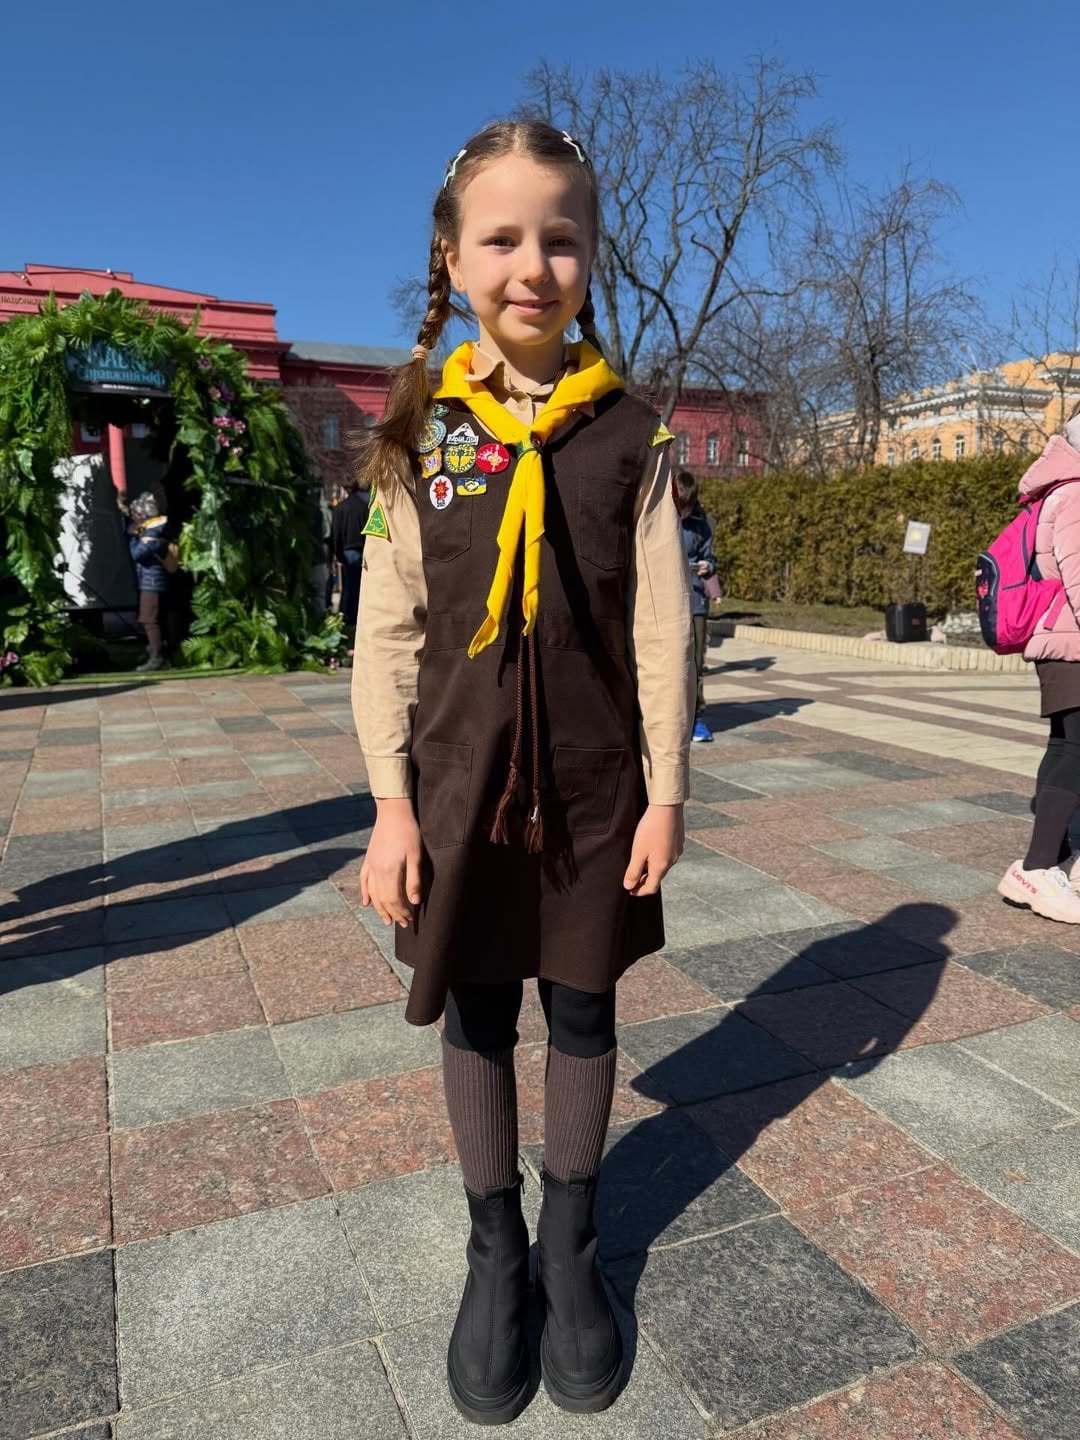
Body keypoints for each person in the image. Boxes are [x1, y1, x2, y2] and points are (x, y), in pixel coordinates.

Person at [353, 120, 694, 1425]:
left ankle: (571, 1246)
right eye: (500, 238)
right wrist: (390, 806)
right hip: (458, 787)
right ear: (452, 257)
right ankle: (495, 1251)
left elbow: (661, 628)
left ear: (592, 256)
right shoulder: (421, 431)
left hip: (598, 792)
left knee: (586, 1008)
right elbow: (387, 632)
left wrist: (668, 791)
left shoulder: (633, 436)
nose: (532, 265)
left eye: (561, 238)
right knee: (480, 1012)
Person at [999, 404, 1080, 922]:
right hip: (1074, 645)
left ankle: (1050, 861)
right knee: (1076, 753)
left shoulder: (1063, 487)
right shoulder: (1076, 494)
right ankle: (1037, 868)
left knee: (1067, 748)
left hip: (1064, 643)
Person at [674, 469, 718, 743]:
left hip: (696, 600)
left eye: (688, 508)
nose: (684, 513)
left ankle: (696, 718)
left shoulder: (702, 524)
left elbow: (710, 558)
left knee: (696, 662)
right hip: (668, 599)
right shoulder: (660, 517)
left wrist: (707, 566)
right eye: (680, 506)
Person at [125, 491, 173, 673]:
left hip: (152, 582)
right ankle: (156, 652)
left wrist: (133, 537)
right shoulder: (156, 529)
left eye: (137, 514)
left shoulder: (152, 532)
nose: (135, 518)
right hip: (152, 580)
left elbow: (137, 554)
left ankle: (156, 657)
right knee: (154, 618)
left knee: (149, 619)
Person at [330, 477, 369, 627]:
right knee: (358, 584)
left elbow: (336, 533)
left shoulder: (340, 508)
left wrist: (337, 552)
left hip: (347, 549)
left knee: (348, 584)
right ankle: (355, 613)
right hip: (361, 548)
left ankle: (347, 614)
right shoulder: (364, 507)